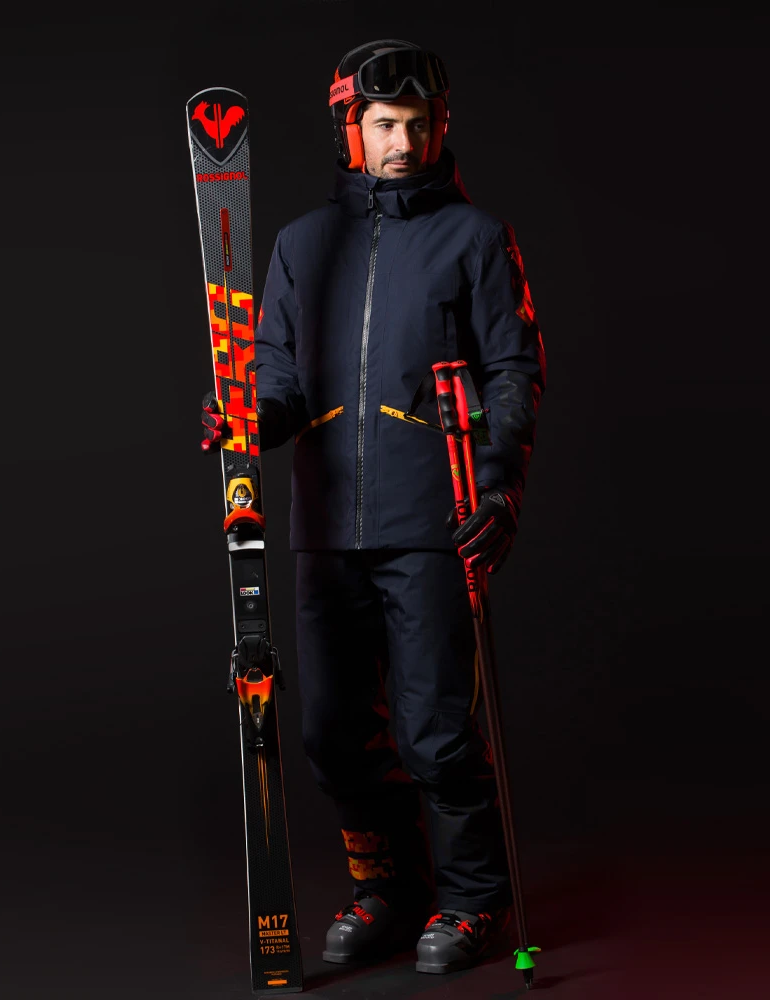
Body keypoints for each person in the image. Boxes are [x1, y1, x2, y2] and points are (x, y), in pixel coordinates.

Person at [201, 39, 545, 975]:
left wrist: (500, 484)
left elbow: (513, 371)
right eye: (387, 124)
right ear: (350, 129)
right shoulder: (301, 246)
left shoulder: (475, 238)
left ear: (441, 127)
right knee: (331, 734)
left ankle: (472, 898)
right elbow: (278, 375)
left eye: (420, 125)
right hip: (327, 526)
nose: (405, 143)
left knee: (435, 730)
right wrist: (246, 417)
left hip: (432, 520)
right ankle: (389, 887)